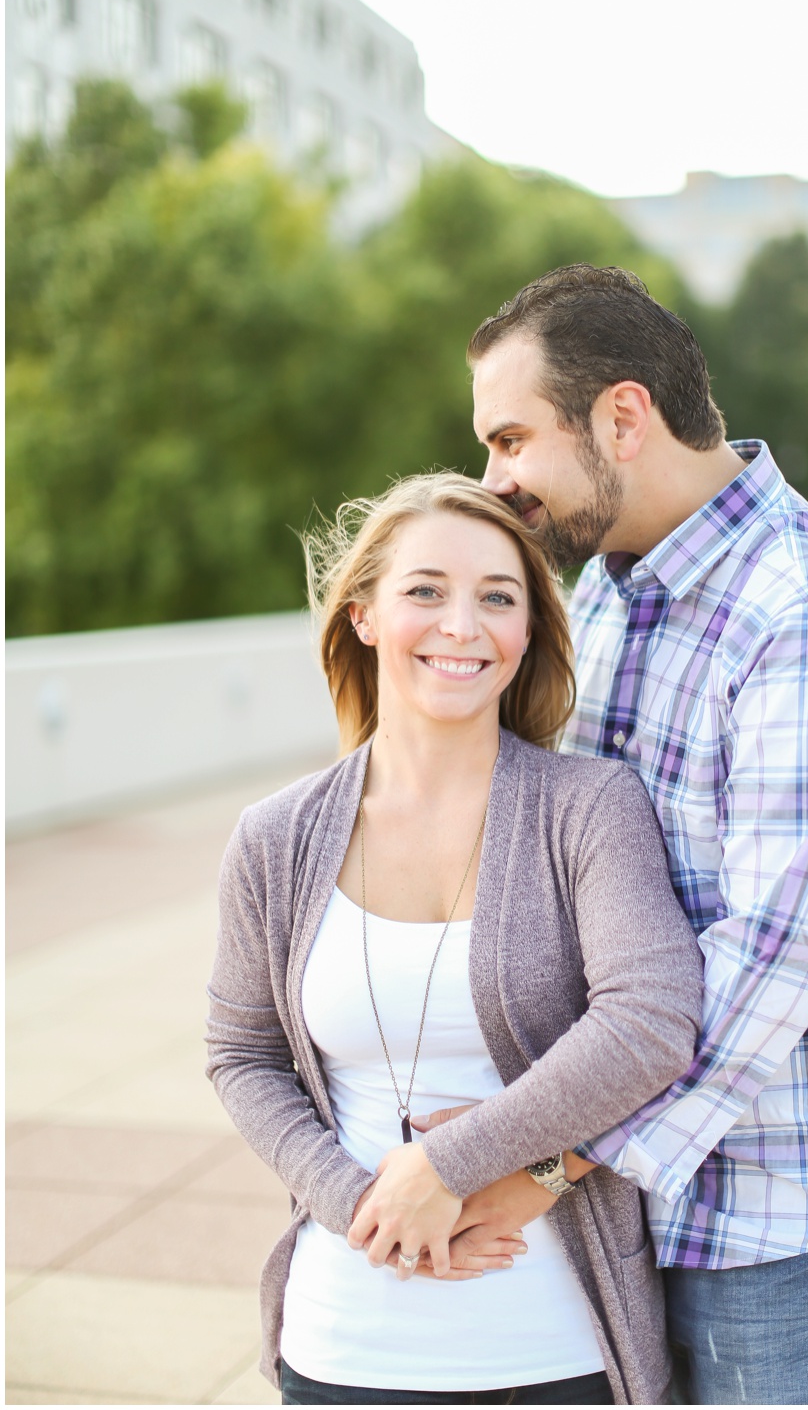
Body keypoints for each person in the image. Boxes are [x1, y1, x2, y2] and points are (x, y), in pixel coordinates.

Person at [396, 263, 808, 1404]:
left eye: (511, 440)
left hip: (799, 1222)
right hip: (647, 1202)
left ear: (621, 415)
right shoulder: (605, 591)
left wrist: (540, 1159)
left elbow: (766, 963)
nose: (493, 479)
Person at [205, 473, 705, 1406]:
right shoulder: (274, 838)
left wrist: (447, 1163)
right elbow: (241, 1054)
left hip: (554, 1348)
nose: (462, 626)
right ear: (362, 615)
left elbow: (652, 1019)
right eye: (426, 590)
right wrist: (365, 1200)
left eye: (498, 598)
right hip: (342, 1344)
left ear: (528, 633)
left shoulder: (588, 809)